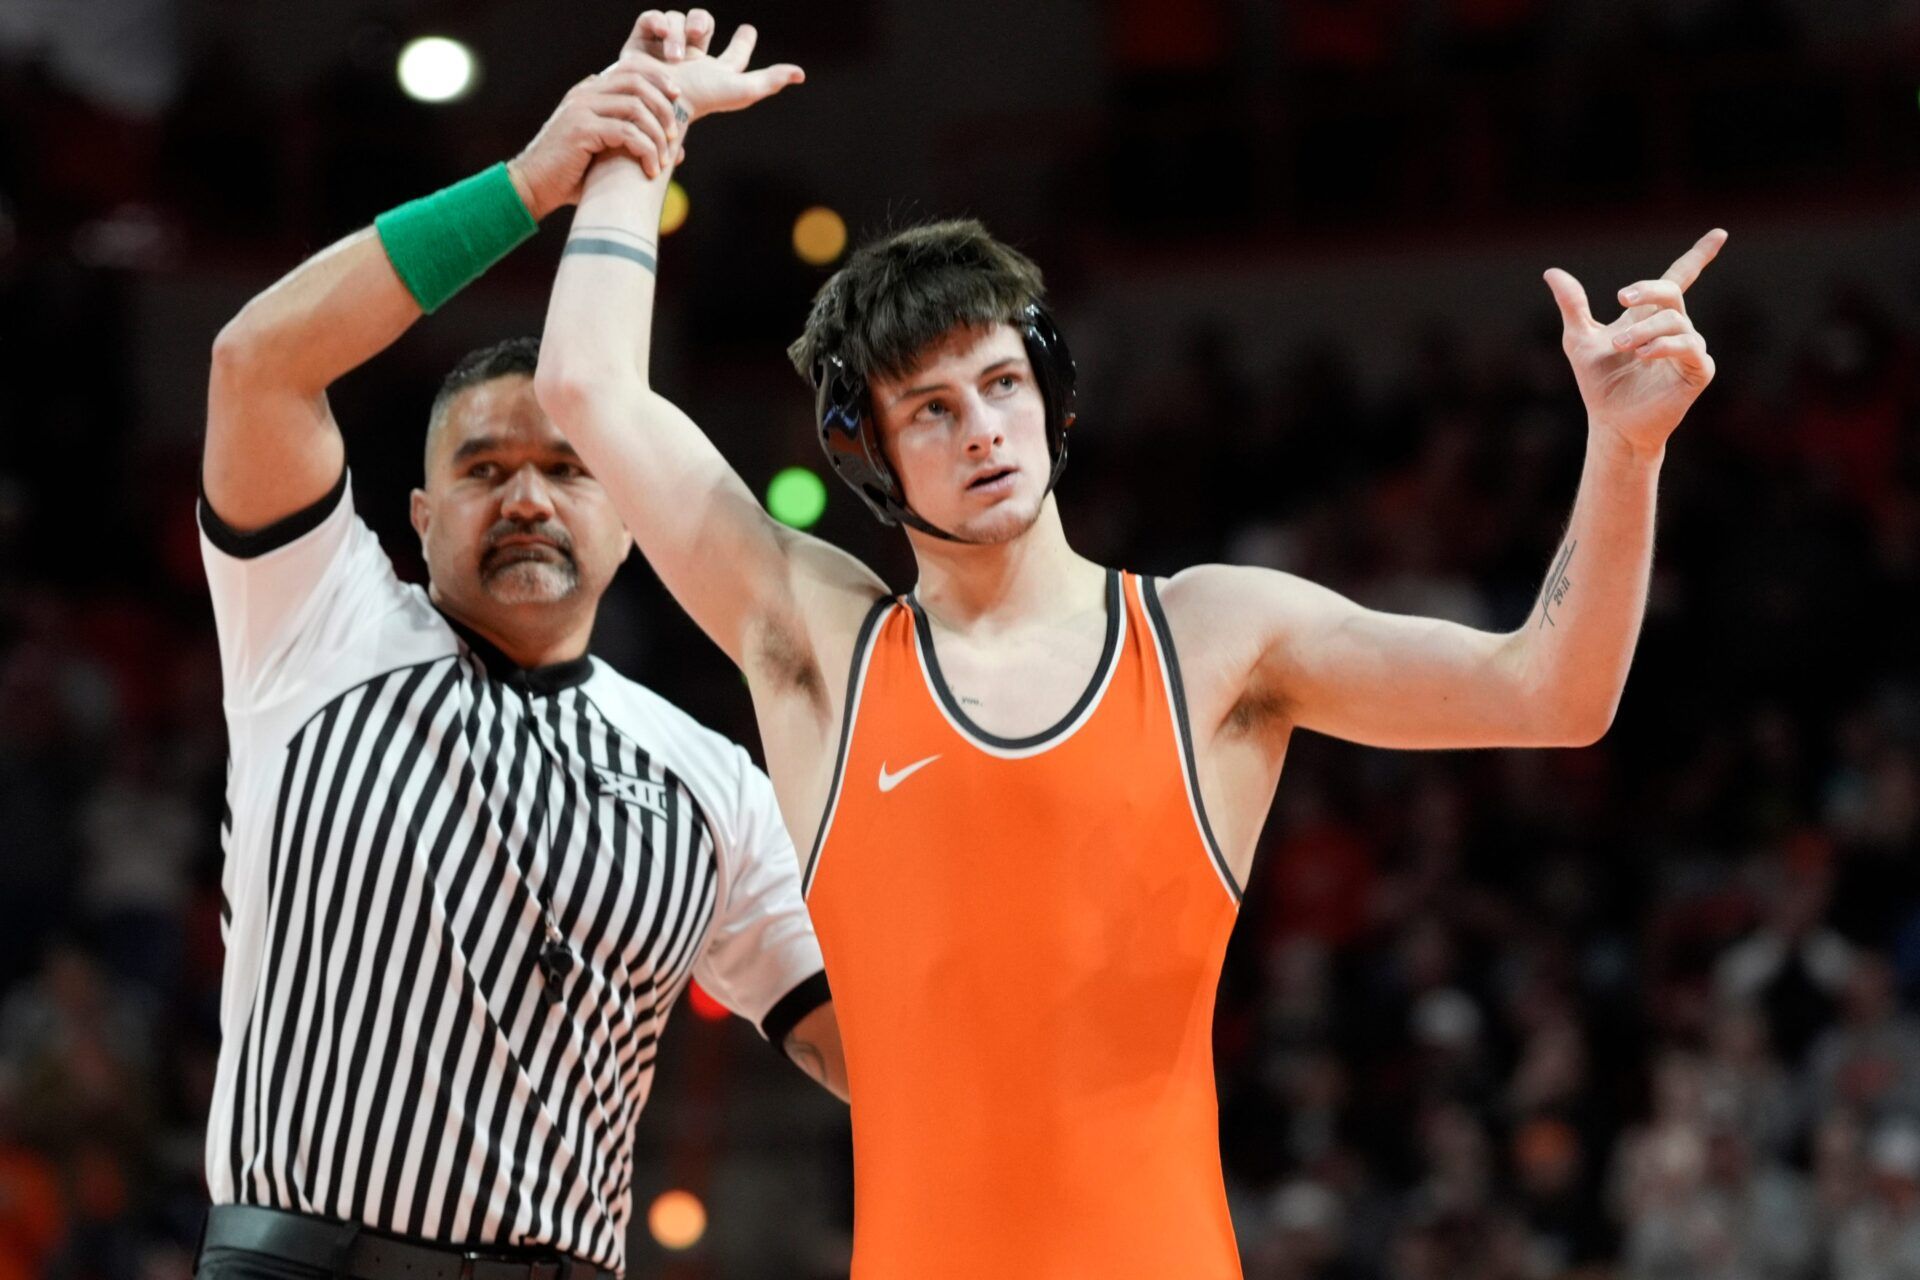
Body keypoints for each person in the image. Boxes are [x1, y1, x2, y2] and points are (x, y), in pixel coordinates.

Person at [535, 12, 1724, 1274]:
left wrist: (1627, 451)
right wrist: (640, 132)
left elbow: (1553, 691)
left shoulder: (1217, 638)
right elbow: (587, 391)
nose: (982, 429)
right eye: (929, 411)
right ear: (868, 458)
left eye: (1000, 383)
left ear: (1050, 389)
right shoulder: (821, 643)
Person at [195, 23, 831, 1279]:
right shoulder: (318, 627)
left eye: (567, 468)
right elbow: (257, 363)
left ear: (630, 519)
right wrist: (540, 179)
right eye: (484, 470)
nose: (528, 498)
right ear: (420, 518)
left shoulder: (712, 781)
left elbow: (849, 1040)